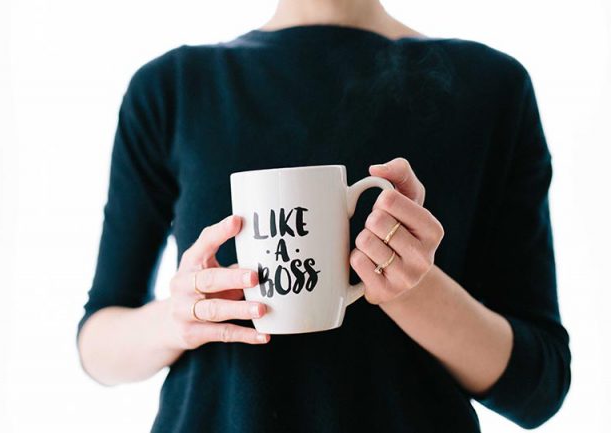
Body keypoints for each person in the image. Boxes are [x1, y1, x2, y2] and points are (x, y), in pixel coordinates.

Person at [76, 0, 571, 431]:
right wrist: (178, 318)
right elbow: (97, 344)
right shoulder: (172, 89)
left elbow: (538, 387)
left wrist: (414, 290)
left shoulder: (491, 88)